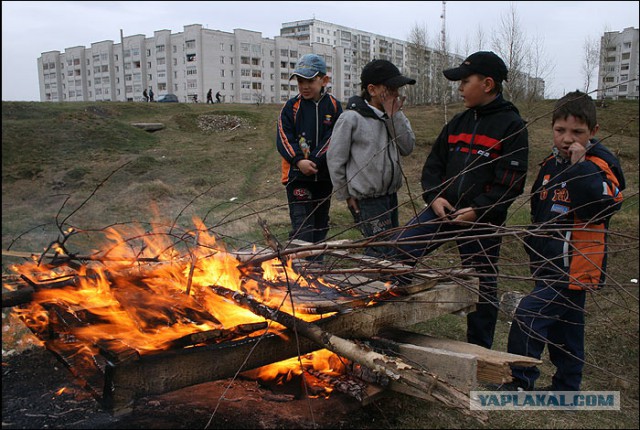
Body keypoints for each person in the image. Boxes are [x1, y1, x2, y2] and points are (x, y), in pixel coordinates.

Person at [392, 51, 529, 349]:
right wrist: (435, 197)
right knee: (401, 248)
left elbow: (511, 183)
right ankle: (391, 321)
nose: (459, 88)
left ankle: (479, 352)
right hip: (444, 212)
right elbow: (433, 166)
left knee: (481, 286)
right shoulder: (457, 123)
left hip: (482, 221)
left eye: (465, 81)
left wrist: (479, 209)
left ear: (488, 84)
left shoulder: (511, 127)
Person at [506, 91, 625, 392]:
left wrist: (580, 165)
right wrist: (533, 244)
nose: (567, 138)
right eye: (560, 130)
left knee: (528, 314)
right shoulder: (549, 166)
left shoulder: (598, 165)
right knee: (566, 330)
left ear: (593, 132)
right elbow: (539, 207)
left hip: (574, 266)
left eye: (577, 132)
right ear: (552, 128)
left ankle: (519, 383)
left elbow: (605, 204)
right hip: (548, 264)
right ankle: (567, 388)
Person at [327, 59, 416, 258]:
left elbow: (407, 147)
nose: (396, 94)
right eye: (391, 88)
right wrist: (346, 195)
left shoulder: (394, 116)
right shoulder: (351, 118)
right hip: (368, 200)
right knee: (379, 251)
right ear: (372, 89)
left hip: (390, 196)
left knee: (392, 245)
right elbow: (335, 160)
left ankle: (387, 286)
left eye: (397, 89)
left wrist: (395, 117)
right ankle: (373, 285)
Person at [276, 53, 343, 253]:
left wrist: (315, 160)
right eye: (300, 80)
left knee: (320, 227)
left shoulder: (333, 106)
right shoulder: (291, 107)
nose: (304, 86)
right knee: (302, 229)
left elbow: (335, 136)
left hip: (323, 177)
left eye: (310, 80)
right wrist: (299, 161)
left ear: (324, 80)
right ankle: (299, 274)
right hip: (297, 177)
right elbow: (284, 137)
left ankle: (316, 273)